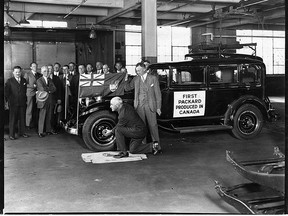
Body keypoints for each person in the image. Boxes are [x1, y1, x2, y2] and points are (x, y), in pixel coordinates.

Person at [125, 62, 162, 150]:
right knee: (141, 127)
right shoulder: (135, 79)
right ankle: (143, 146)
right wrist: (126, 80)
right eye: (136, 71)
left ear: (144, 69)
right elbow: (127, 88)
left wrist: (158, 107)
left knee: (153, 126)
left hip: (151, 106)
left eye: (139, 70)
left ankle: (157, 146)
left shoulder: (153, 78)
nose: (137, 72)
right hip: (139, 106)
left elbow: (158, 94)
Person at [5, 66, 29, 140]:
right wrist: (7, 103)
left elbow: (25, 92)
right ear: (13, 73)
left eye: (19, 72)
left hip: (22, 103)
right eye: (16, 72)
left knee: (22, 118)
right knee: (13, 119)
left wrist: (26, 100)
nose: (18, 73)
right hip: (13, 103)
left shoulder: (24, 80)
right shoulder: (9, 81)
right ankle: (11, 135)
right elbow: (6, 93)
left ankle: (22, 132)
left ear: (21, 72)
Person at [36, 65, 56, 138]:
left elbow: (54, 88)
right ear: (41, 72)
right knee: (42, 116)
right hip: (43, 101)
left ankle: (48, 130)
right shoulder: (39, 80)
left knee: (49, 116)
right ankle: (40, 132)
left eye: (47, 71)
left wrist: (49, 90)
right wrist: (49, 90)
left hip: (50, 100)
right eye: (44, 71)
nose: (46, 72)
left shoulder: (50, 80)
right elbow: (42, 89)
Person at [24, 62, 42, 130]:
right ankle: (27, 124)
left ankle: (34, 124)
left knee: (36, 109)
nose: (35, 67)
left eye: (36, 66)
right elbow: (24, 84)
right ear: (30, 67)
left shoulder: (39, 74)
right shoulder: (27, 74)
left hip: (37, 93)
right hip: (30, 93)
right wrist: (32, 86)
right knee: (29, 109)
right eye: (33, 66)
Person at [49, 64, 62, 133]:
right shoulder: (44, 78)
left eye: (51, 69)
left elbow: (59, 89)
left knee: (53, 114)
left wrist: (59, 98)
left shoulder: (56, 78)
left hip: (54, 99)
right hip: (46, 100)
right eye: (48, 69)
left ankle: (53, 128)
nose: (49, 70)